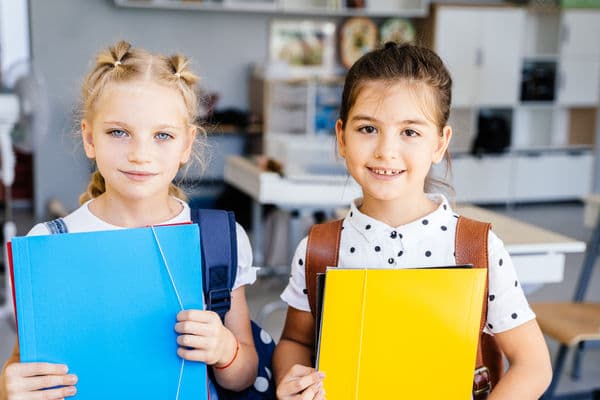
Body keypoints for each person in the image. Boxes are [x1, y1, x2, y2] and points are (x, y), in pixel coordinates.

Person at [273, 42, 552, 400]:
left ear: (440, 142)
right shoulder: (320, 248)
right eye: (368, 129)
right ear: (341, 137)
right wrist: (291, 378)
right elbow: (295, 340)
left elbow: (533, 365)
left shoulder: (474, 247)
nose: (386, 150)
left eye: (410, 132)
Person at [0, 40, 258, 400]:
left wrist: (225, 349)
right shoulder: (49, 243)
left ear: (187, 144)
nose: (140, 154)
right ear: (90, 138)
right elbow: (22, 363)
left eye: (163, 135)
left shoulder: (218, 240)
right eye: (118, 132)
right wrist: (8, 387)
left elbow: (244, 375)